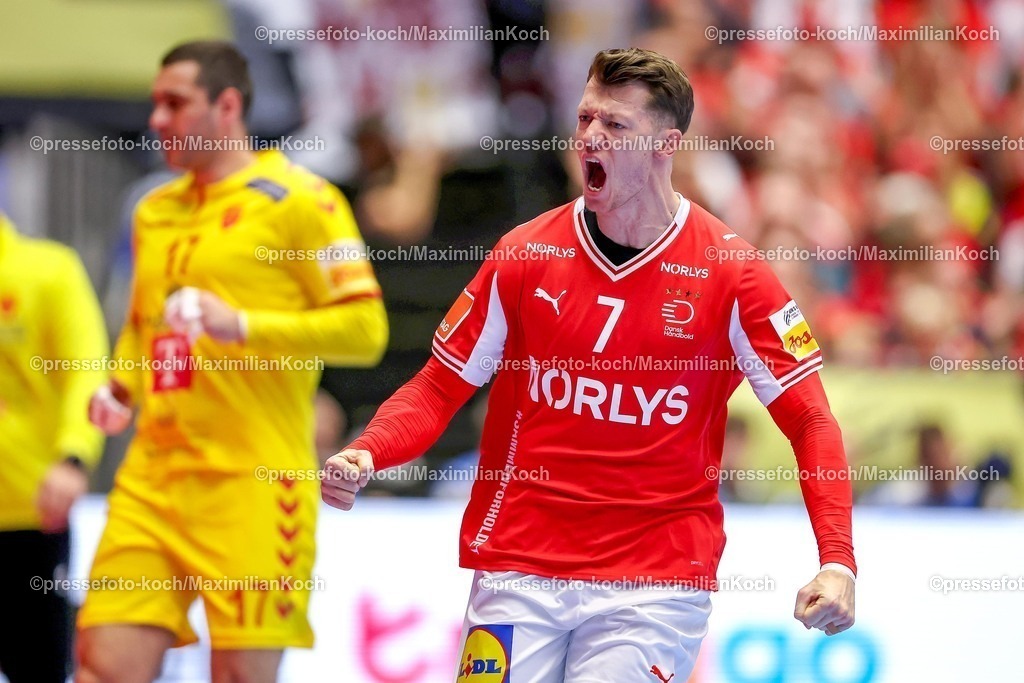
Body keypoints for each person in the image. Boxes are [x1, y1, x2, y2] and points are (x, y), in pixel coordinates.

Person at [323, 48, 856, 681]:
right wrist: (371, 450)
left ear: (666, 145)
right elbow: (441, 385)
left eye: (615, 126)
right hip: (520, 561)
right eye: (584, 119)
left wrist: (837, 562)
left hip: (654, 579)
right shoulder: (524, 254)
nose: (590, 139)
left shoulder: (733, 273)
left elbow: (811, 421)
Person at [76, 41, 388, 683]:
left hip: (254, 484)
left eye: (175, 103)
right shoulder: (153, 209)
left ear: (226, 106)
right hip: (153, 482)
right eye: (154, 103)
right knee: (102, 666)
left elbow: (365, 329)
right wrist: (121, 389)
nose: (157, 119)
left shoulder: (303, 200)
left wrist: (240, 324)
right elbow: (143, 328)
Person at [0, 212, 108, 683]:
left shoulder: (48, 269)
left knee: (37, 667)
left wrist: (74, 455)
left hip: (30, 511)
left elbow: (85, 368)